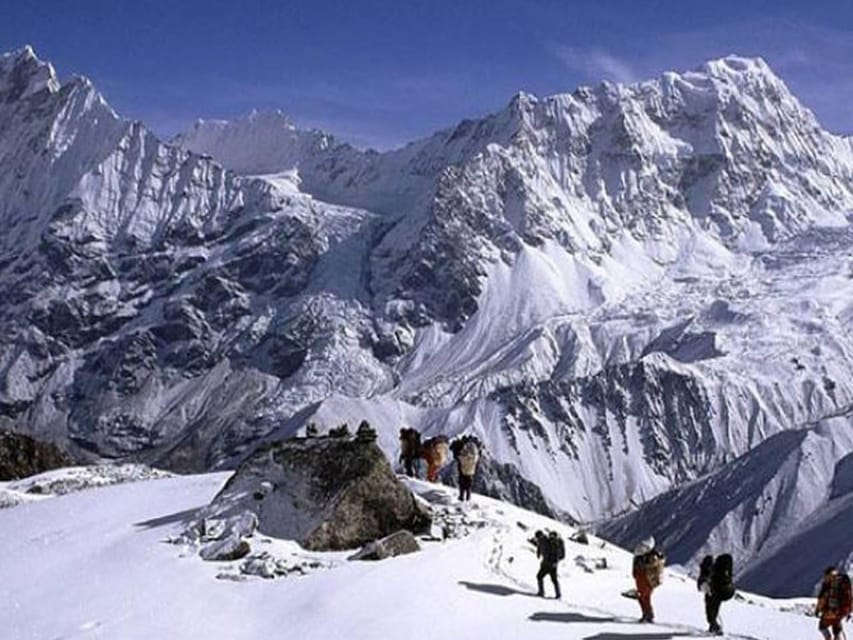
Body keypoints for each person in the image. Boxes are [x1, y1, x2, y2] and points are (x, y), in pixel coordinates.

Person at [697, 554, 736, 635]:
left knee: (711, 605)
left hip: (716, 591)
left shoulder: (711, 572)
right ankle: (714, 625)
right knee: (713, 605)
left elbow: (701, 585)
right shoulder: (721, 572)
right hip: (726, 591)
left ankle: (714, 625)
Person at [632, 537, 665, 623]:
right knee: (644, 597)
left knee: (643, 597)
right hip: (643, 579)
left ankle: (647, 615)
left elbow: (653, 565)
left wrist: (644, 565)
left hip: (646, 580)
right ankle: (647, 614)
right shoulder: (642, 556)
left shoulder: (651, 556)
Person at [816, 566, 852, 640]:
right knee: (836, 628)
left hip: (829, 612)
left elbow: (822, 599)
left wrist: (818, 609)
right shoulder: (841, 583)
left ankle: (829, 638)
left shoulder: (828, 585)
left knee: (822, 627)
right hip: (839, 612)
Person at [534, 530, 564, 599]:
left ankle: (542, 592)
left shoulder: (549, 541)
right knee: (551, 579)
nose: (537, 539)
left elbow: (554, 552)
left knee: (541, 577)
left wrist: (554, 562)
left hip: (549, 564)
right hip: (549, 564)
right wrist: (538, 554)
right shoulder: (543, 541)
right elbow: (540, 549)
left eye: (538, 537)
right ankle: (558, 594)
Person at [453, 435, 481, 501]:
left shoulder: (464, 452)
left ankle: (461, 496)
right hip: (471, 470)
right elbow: (478, 458)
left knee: (462, 482)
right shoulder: (475, 454)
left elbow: (460, 457)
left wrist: (458, 455)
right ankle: (468, 496)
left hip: (463, 469)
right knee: (468, 483)